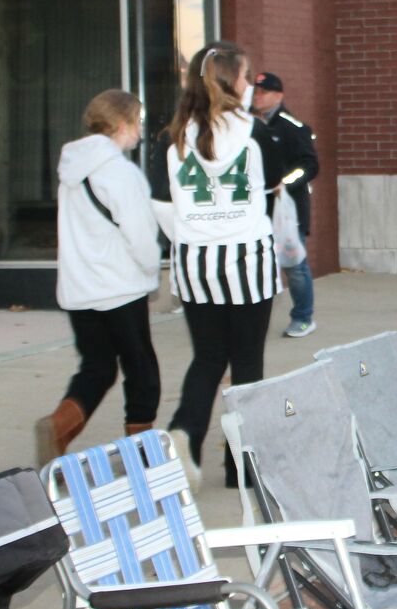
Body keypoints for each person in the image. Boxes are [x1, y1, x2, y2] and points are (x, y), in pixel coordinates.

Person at [153, 40, 278, 490]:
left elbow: (160, 203)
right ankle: (241, 468)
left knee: (207, 357)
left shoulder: (173, 135)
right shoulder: (255, 131)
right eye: (246, 76)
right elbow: (274, 185)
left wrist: (194, 232)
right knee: (247, 363)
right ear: (230, 82)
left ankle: (184, 433)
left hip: (195, 262)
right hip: (247, 260)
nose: (250, 84)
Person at [35, 89, 162, 465]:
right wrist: (151, 269)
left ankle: (58, 428)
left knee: (98, 367)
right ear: (121, 124)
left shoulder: (71, 169)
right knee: (141, 369)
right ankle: (142, 454)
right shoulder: (119, 172)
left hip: (80, 289)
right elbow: (139, 234)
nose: (140, 130)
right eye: (137, 122)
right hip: (120, 288)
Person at [249, 71, 320, 338]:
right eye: (255, 92)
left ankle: (303, 317)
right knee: (258, 266)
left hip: (288, 211)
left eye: (263, 92)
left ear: (278, 95)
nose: (257, 97)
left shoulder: (293, 127)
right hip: (257, 210)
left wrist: (285, 184)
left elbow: (310, 166)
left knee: (294, 266)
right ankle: (257, 320)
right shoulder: (247, 125)